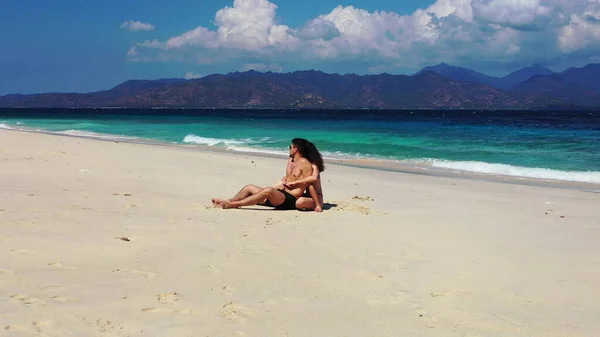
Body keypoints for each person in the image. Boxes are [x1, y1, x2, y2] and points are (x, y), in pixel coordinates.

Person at [211, 138, 314, 210]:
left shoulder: (305, 163)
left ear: (295, 149)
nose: (289, 149)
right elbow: (289, 177)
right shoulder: (291, 161)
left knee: (268, 190)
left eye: (290, 147)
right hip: (279, 194)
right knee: (249, 187)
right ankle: (227, 201)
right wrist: (284, 180)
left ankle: (233, 204)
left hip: (289, 199)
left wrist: (316, 201)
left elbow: (310, 181)